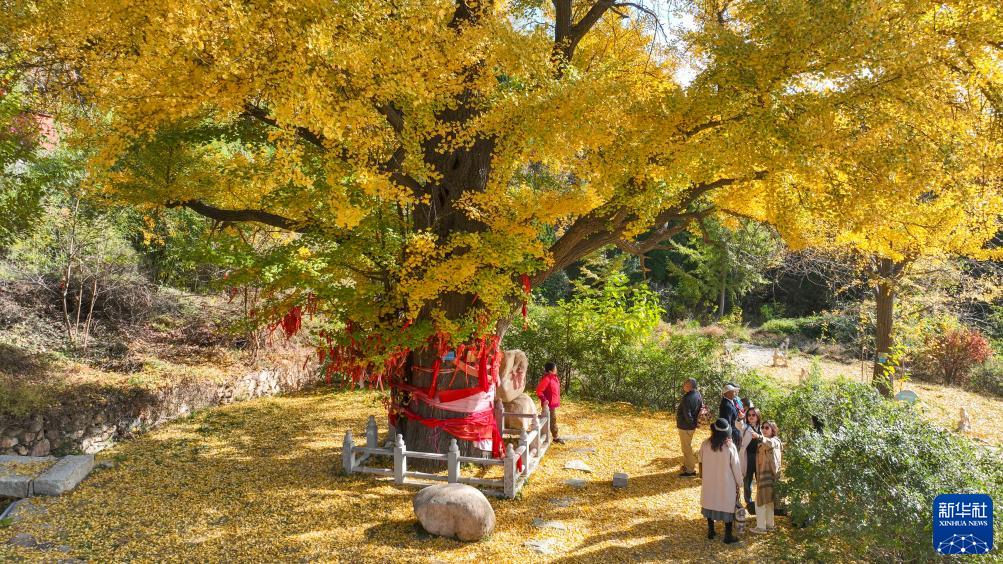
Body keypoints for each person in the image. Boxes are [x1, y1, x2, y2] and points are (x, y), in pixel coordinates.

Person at [699, 418, 743, 544]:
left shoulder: (705, 444)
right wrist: (740, 483)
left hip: (709, 480)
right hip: (726, 482)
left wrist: (702, 476)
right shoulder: (730, 447)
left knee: (710, 502)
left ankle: (711, 531)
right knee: (727, 505)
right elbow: (736, 466)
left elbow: (700, 460)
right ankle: (728, 535)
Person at [750, 421, 782, 534]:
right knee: (768, 501)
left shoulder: (775, 441)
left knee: (760, 501)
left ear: (773, 430)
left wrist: (759, 437)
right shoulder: (764, 442)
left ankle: (761, 527)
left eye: (767, 428)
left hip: (768, 475)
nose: (764, 429)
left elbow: (770, 443)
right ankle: (769, 525)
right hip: (767, 475)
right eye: (762, 427)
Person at [675, 378, 703, 477]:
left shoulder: (687, 398)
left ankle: (690, 470)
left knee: (686, 449)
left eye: (686, 385)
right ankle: (687, 465)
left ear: (690, 386)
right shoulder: (698, 394)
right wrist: (694, 425)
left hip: (686, 427)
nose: (684, 386)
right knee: (687, 447)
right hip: (690, 426)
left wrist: (691, 425)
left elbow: (687, 414)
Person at [738, 406, 763, 512]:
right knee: (747, 480)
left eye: (753, 415)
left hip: (760, 457)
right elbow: (739, 425)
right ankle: (748, 502)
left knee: (760, 479)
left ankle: (760, 500)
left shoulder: (762, 428)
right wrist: (740, 418)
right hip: (748, 456)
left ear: (758, 416)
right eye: (749, 415)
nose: (751, 417)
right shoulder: (745, 427)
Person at [536, 362, 563, 444]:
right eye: (555, 368)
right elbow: (539, 391)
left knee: (550, 419)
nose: (556, 369)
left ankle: (545, 435)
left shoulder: (554, 378)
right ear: (550, 371)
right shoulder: (547, 379)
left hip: (552, 403)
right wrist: (544, 400)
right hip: (548, 404)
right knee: (552, 420)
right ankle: (555, 437)